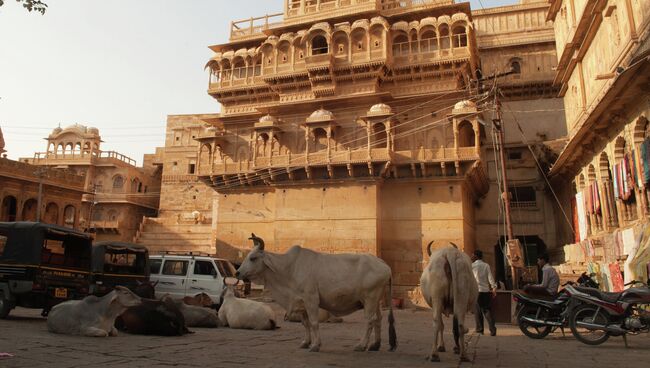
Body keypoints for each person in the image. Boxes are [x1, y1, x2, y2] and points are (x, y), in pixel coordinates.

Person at [471, 250, 497, 336]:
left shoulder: (472, 266)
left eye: (472, 255)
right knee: (487, 310)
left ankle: (479, 330)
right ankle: (492, 330)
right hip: (485, 291)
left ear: (475, 256)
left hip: (476, 291)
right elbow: (490, 278)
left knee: (477, 311)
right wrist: (494, 288)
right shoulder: (486, 265)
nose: (471, 257)